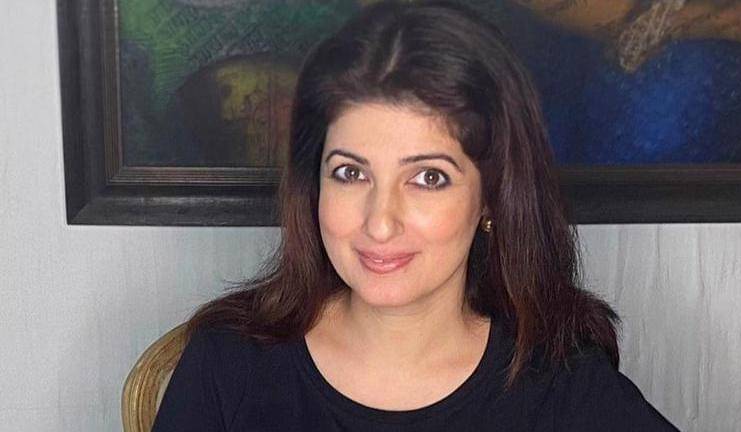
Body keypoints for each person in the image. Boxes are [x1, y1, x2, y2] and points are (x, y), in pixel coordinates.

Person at [152, 1, 679, 430]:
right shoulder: (228, 364)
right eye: (350, 173)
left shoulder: (561, 384)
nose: (380, 223)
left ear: (492, 195)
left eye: (429, 178)